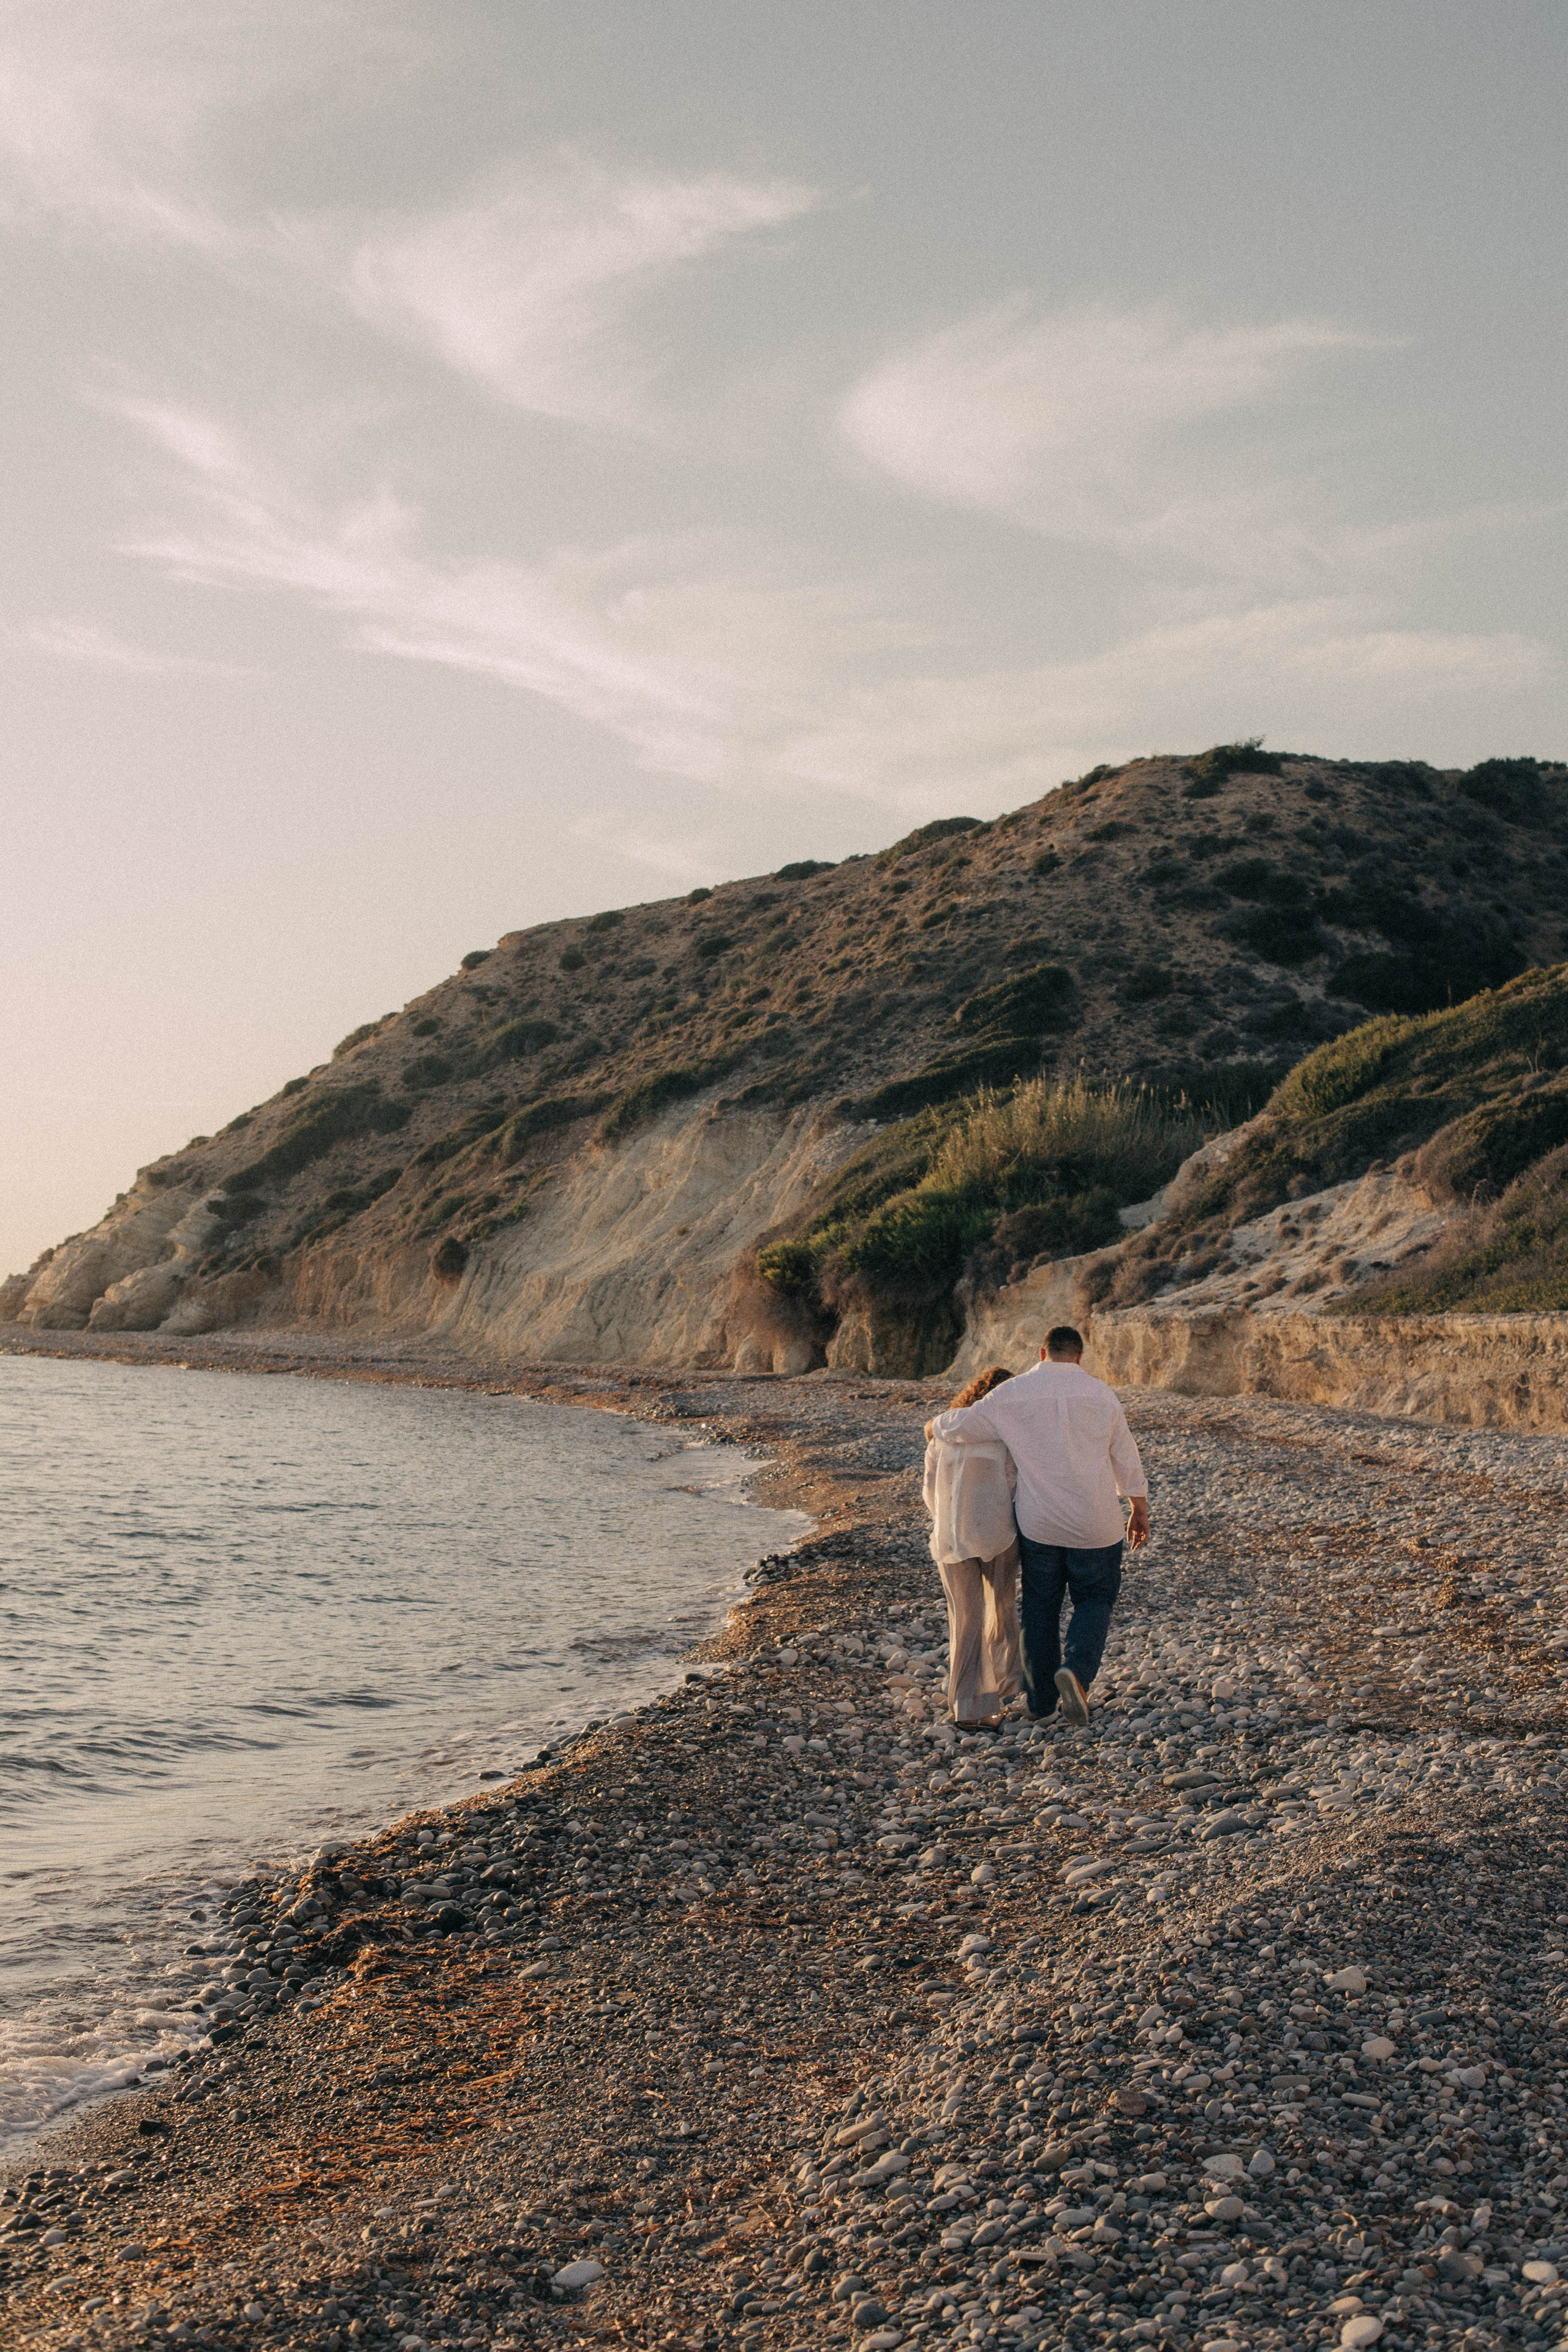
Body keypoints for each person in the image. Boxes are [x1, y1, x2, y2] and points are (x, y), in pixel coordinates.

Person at [928, 1325, 1148, 1728]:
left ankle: (1042, 1703)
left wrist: (937, 1426)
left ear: (1041, 1353)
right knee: (1095, 1600)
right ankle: (1077, 1675)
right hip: (1096, 1525)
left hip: (1040, 1525)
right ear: (1080, 1357)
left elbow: (966, 1425)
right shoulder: (1101, 1394)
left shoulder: (1013, 1393)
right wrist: (1138, 1508)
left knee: (1040, 1610)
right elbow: (1125, 1455)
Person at [922, 1365, 1023, 1730]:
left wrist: (948, 1522)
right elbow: (1014, 1487)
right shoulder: (1007, 1435)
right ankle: (1009, 1685)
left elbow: (930, 1492)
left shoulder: (943, 1434)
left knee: (965, 1619)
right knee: (1002, 1606)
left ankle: (968, 1706)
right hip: (998, 1533)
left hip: (951, 1536)